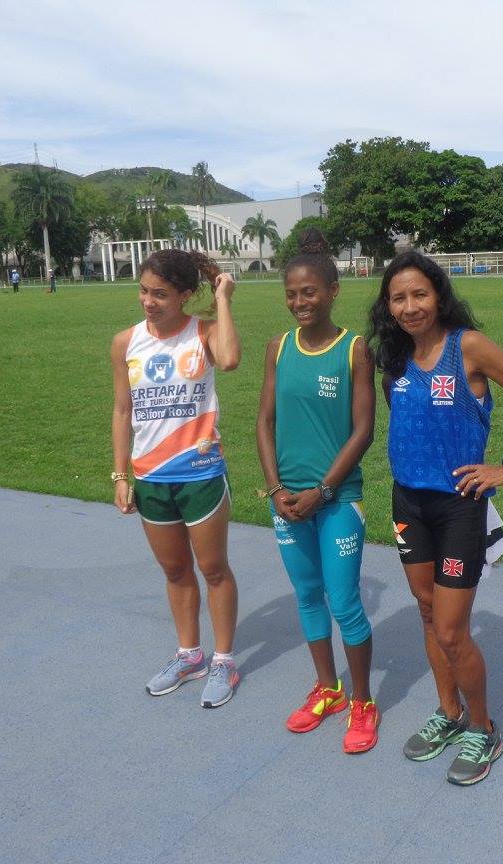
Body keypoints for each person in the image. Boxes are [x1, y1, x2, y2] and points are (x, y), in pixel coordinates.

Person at [366, 251, 503, 786]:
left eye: (419, 294)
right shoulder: (393, 357)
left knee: (451, 630)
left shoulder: (466, 346)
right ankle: (449, 713)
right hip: (409, 504)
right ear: (387, 306)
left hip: (458, 507)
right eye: (398, 298)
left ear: (438, 295)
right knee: (428, 613)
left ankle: (483, 727)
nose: (409, 307)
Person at [255, 229, 379, 753]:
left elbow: (363, 431)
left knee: (344, 601)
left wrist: (322, 492)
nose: (299, 302)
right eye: (291, 293)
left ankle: (362, 702)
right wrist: (276, 489)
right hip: (287, 501)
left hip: (336, 501)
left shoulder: (354, 349)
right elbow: (264, 421)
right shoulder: (278, 347)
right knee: (308, 596)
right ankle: (328, 689)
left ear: (333, 291)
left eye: (309, 292)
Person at [111, 248, 242, 708]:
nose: (148, 301)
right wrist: (120, 473)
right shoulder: (125, 342)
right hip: (150, 477)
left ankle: (223, 660)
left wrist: (223, 297)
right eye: (144, 291)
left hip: (200, 473)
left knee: (213, 569)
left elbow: (229, 359)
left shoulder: (203, 333)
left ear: (185, 295)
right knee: (174, 570)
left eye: (160, 294)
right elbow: (122, 410)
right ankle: (190, 655)